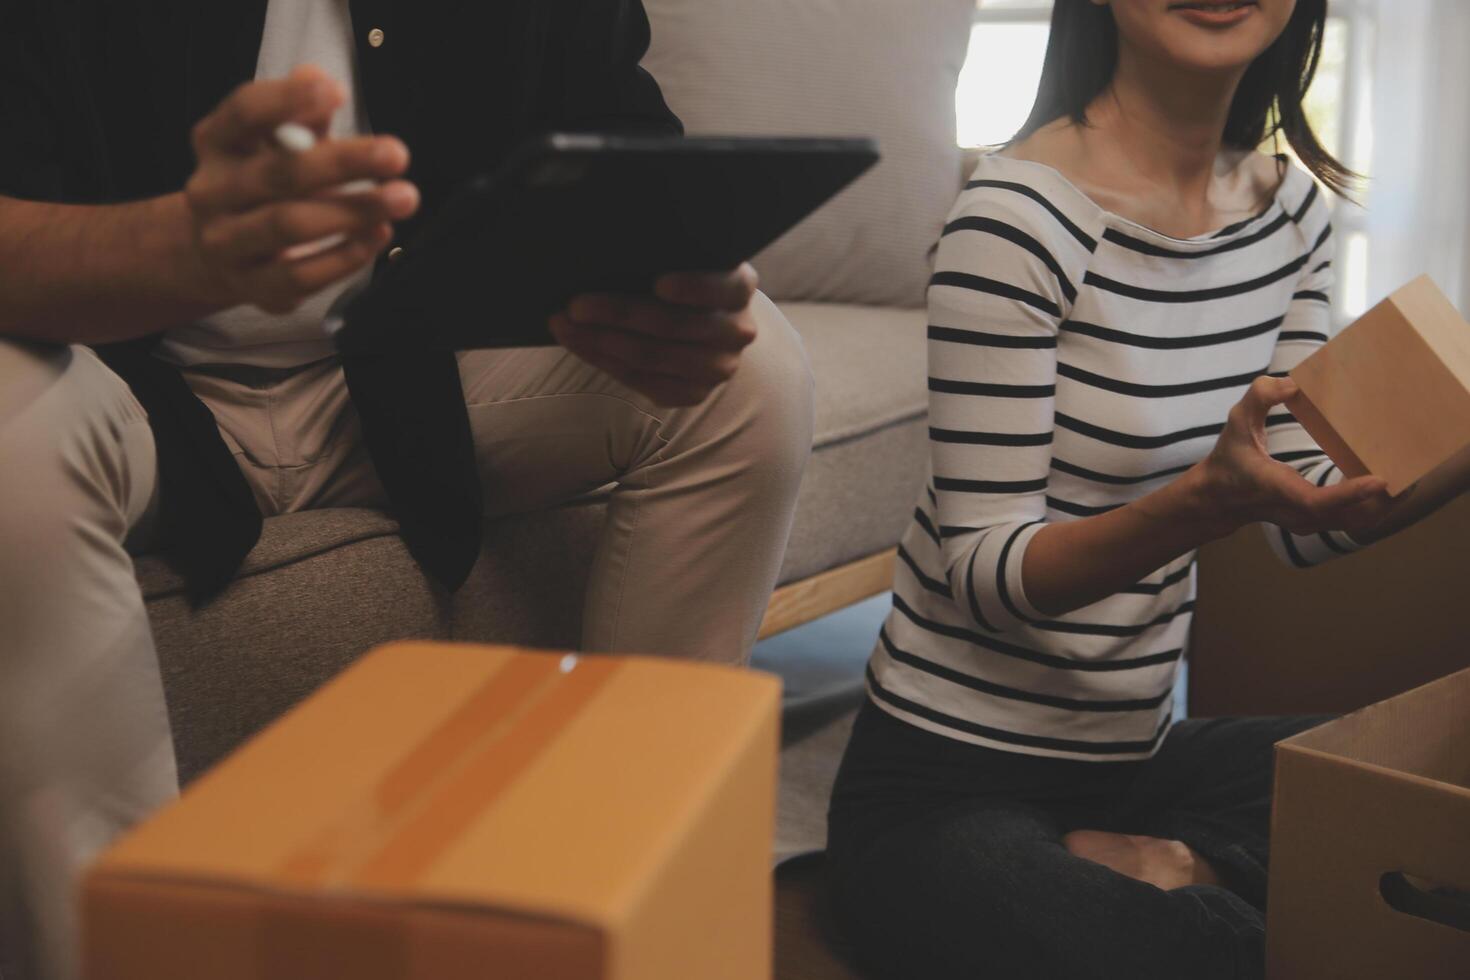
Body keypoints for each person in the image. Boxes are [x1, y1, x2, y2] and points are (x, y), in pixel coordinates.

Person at [0, 2, 814, 978]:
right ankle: (122, 949)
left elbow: (622, 137)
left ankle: (626, 913)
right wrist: (177, 248)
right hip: (120, 381)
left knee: (753, 368)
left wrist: (661, 281)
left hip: (404, 376)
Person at [825, 1, 1470, 978]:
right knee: (1243, 943)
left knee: (1423, 790)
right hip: (942, 789)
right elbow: (989, 576)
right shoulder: (1017, 218)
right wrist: (1206, 499)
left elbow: (1306, 517)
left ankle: (1176, 856)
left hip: (1138, 765)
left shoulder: (1290, 215)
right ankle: (1177, 881)